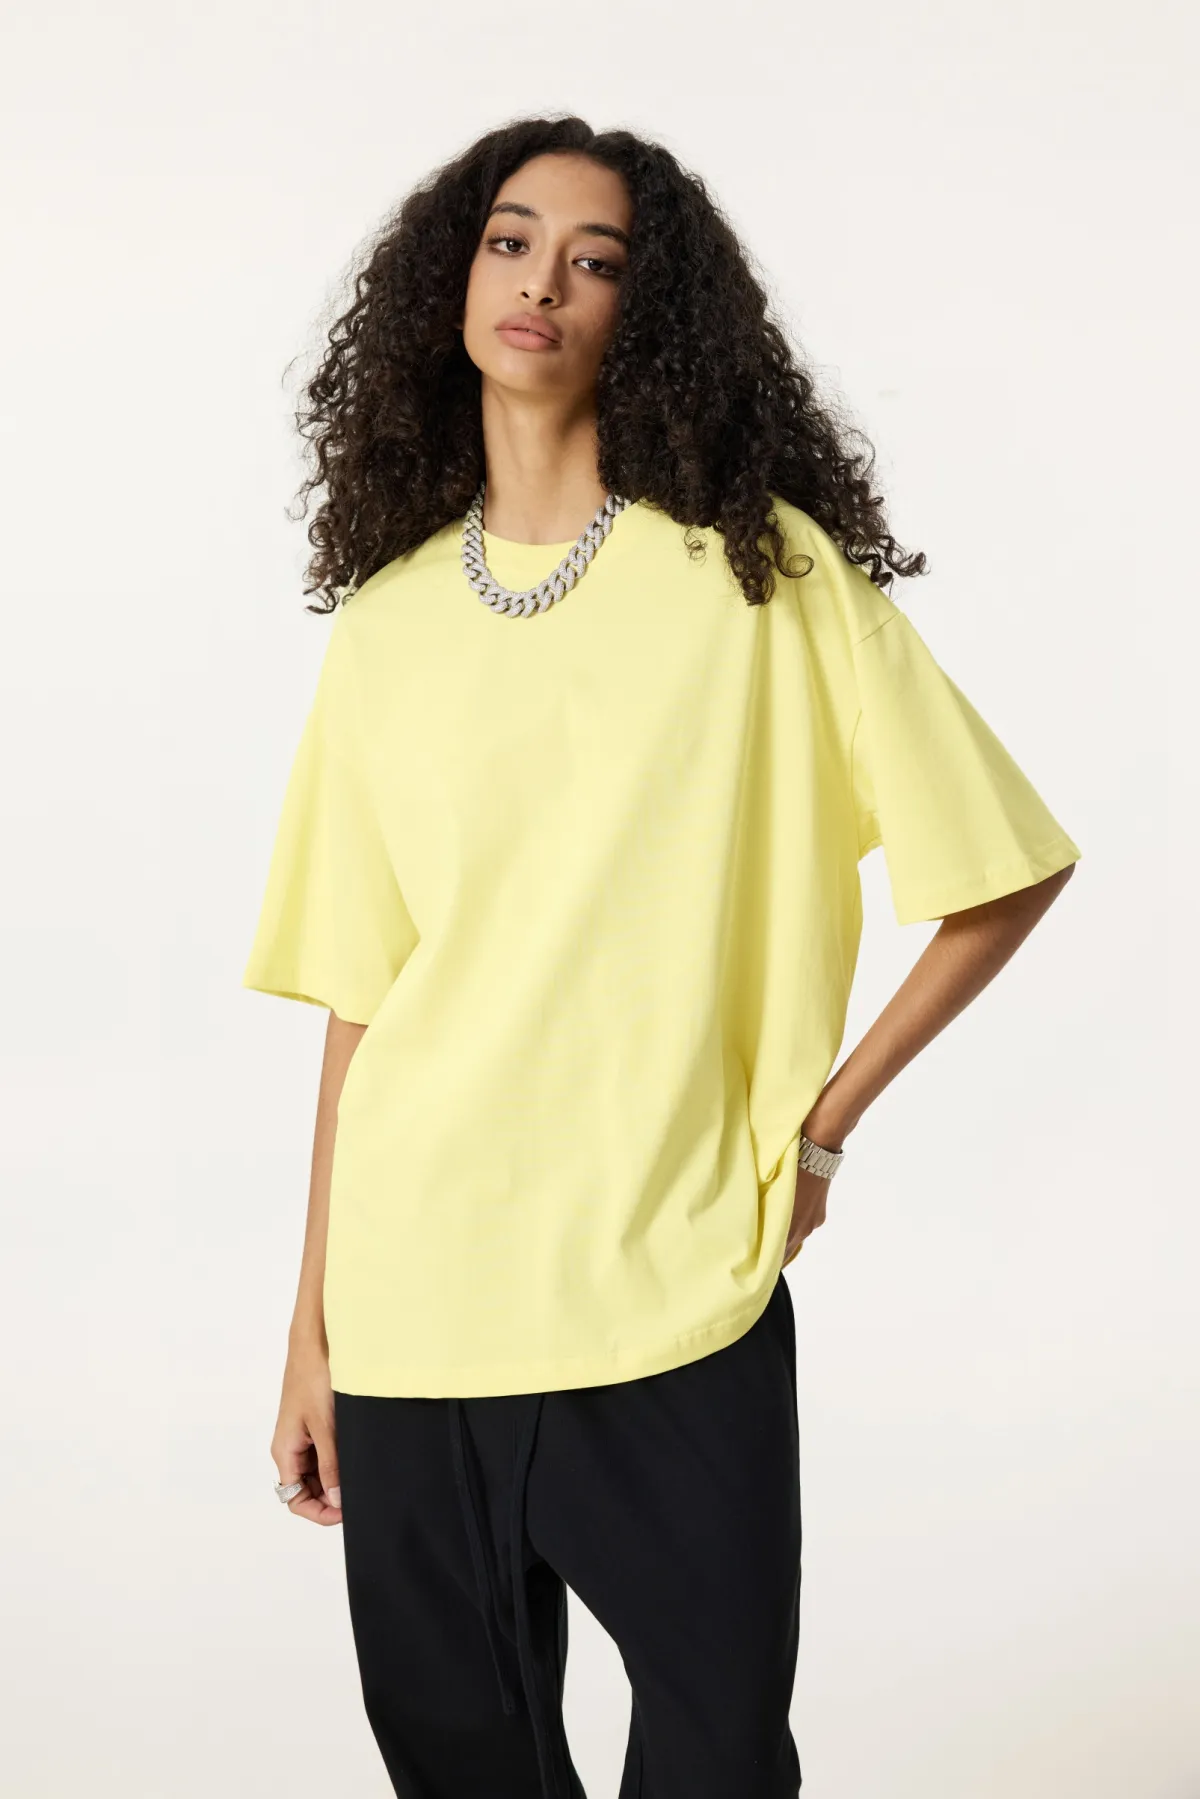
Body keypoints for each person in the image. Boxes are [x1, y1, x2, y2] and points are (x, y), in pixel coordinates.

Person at [241, 115, 1082, 1799]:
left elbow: (1004, 869)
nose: (542, 281)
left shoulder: (758, 574)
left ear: (651, 310)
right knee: (460, 1766)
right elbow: (364, 999)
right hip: (416, 1298)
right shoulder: (388, 625)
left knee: (716, 1761)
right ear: (453, 278)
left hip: (675, 1285)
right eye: (510, 239)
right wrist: (309, 1329)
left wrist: (819, 1132)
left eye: (597, 259)